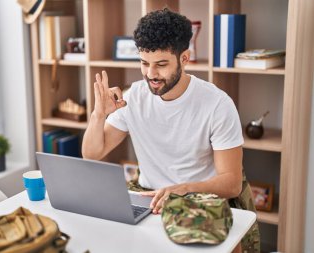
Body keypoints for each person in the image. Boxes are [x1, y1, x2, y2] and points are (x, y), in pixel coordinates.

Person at [82, 8, 259, 252]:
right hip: (148, 198)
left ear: (184, 58)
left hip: (199, 201)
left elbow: (231, 184)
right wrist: (98, 114)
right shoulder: (133, 97)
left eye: (161, 65)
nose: (151, 74)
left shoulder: (217, 104)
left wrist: (182, 188)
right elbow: (92, 153)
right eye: (144, 63)